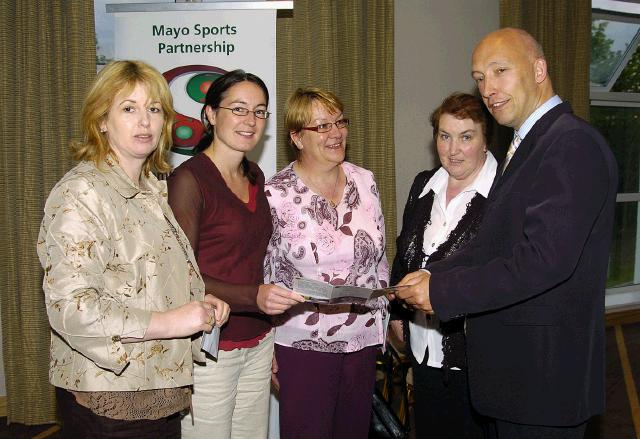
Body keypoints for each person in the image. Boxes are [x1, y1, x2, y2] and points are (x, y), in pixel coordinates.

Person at [394, 28, 618, 438]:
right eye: (479, 77)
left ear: (538, 69)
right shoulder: (528, 143)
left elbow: (543, 260)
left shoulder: (570, 144)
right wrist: (435, 275)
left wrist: (444, 293)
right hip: (515, 383)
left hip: (543, 384)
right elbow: (493, 245)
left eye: (500, 71)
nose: (488, 89)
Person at [37, 60, 230, 438]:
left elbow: (144, 281)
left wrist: (200, 301)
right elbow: (71, 307)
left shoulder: (151, 189)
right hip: (110, 398)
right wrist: (171, 323)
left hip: (158, 388)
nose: (145, 121)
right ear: (102, 120)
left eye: (154, 110)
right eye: (129, 108)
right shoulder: (83, 192)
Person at [167, 70, 304, 439]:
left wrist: (271, 326)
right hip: (210, 347)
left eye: (260, 112)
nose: (251, 121)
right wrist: (253, 297)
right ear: (210, 114)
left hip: (258, 342)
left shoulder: (257, 176)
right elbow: (181, 275)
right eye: (239, 109)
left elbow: (260, 260)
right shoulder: (188, 181)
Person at [264, 87, 389, 439]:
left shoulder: (365, 181)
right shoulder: (275, 194)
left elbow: (379, 259)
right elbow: (264, 273)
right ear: (296, 138)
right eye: (322, 127)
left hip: (362, 338)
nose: (335, 133)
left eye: (339, 122)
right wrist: (265, 343)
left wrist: (384, 321)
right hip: (302, 343)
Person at [390, 92, 496, 438]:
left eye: (466, 137)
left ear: (485, 140)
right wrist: (396, 315)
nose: (453, 149)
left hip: (478, 359)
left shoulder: (504, 195)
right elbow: (404, 255)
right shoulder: (424, 184)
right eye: (444, 136)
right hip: (422, 350)